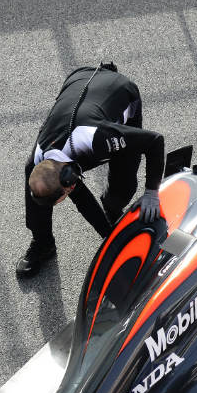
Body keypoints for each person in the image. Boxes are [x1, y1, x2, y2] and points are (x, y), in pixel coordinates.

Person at [17, 63, 165, 278]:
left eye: (66, 193)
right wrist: (110, 240)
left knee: (122, 189)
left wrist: (152, 191)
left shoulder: (99, 138)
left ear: (69, 177)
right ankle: (43, 243)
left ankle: (112, 206)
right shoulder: (36, 163)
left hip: (118, 91)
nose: (69, 196)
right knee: (40, 193)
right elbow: (81, 198)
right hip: (77, 84)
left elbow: (154, 141)